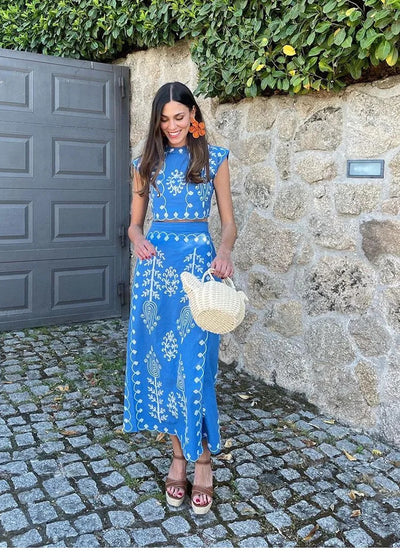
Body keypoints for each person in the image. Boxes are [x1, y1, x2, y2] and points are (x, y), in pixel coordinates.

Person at [123, 81, 237, 515]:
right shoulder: (144, 165)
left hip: (198, 268)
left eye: (180, 116)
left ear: (194, 115)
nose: (172, 125)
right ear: (157, 121)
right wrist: (138, 240)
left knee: (196, 367)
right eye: (164, 118)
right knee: (164, 367)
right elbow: (135, 224)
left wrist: (223, 252)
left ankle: (203, 461)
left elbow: (228, 223)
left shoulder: (216, 158)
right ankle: (176, 456)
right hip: (155, 275)